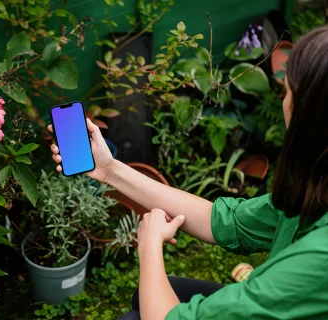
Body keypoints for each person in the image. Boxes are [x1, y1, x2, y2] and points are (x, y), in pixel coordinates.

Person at [48, 25, 328, 320]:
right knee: (143, 298)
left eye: (287, 93)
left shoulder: (319, 259)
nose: (283, 101)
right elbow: (228, 222)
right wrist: (110, 171)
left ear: (309, 117)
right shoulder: (315, 187)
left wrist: (150, 247)